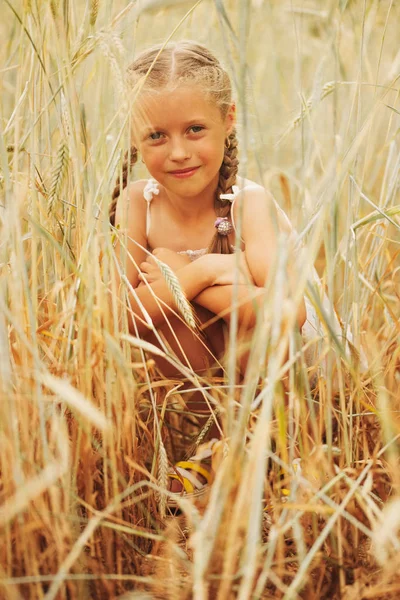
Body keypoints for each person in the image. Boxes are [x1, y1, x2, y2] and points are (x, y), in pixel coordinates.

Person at [110, 41, 321, 500]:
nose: (179, 152)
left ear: (228, 120)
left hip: (272, 382)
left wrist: (180, 278)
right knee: (160, 324)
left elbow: (288, 318)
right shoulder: (137, 206)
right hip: (195, 388)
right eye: (156, 135)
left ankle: (271, 449)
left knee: (250, 324)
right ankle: (208, 450)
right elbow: (117, 318)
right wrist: (206, 273)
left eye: (195, 129)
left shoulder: (250, 204)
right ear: (133, 135)